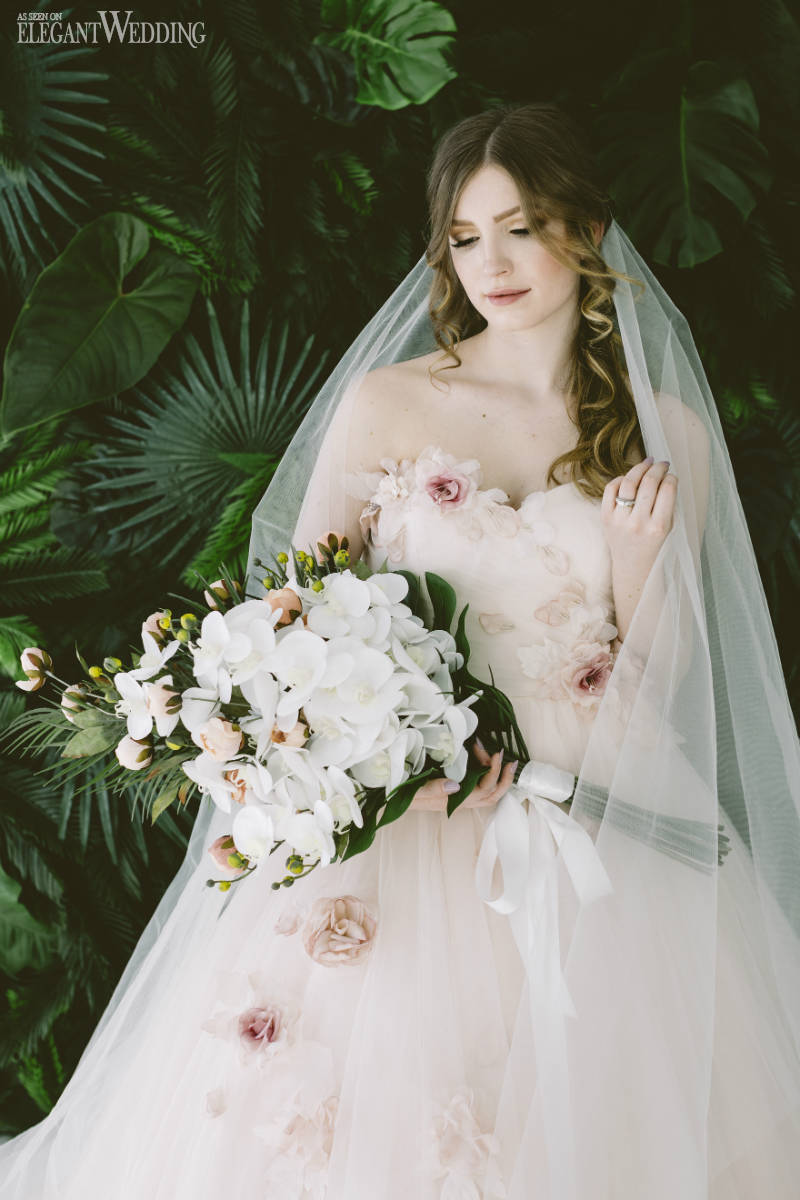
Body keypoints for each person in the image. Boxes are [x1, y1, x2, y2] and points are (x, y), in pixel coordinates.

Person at [2, 101, 800, 1199]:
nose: (492, 263)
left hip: (596, 807)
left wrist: (636, 556)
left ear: (580, 228)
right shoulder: (391, 403)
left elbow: (656, 688)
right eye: (464, 239)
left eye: (518, 227)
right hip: (406, 813)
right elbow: (294, 622)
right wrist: (396, 778)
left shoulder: (669, 433)